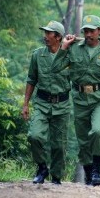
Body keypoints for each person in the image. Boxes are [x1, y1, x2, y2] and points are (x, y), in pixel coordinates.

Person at [54, 15, 100, 186]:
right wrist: (64, 47)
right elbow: (56, 68)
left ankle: (97, 171)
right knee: (83, 140)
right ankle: (88, 172)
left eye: (91, 31)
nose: (88, 34)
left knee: (97, 131)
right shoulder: (74, 49)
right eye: (85, 31)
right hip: (79, 100)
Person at [21, 21, 72, 185]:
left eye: (49, 33)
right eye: (45, 33)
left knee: (59, 145)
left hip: (62, 106)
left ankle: (56, 177)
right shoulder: (37, 55)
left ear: (58, 37)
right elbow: (31, 80)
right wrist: (25, 104)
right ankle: (42, 167)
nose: (45, 36)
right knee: (34, 136)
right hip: (42, 104)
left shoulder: (70, 56)